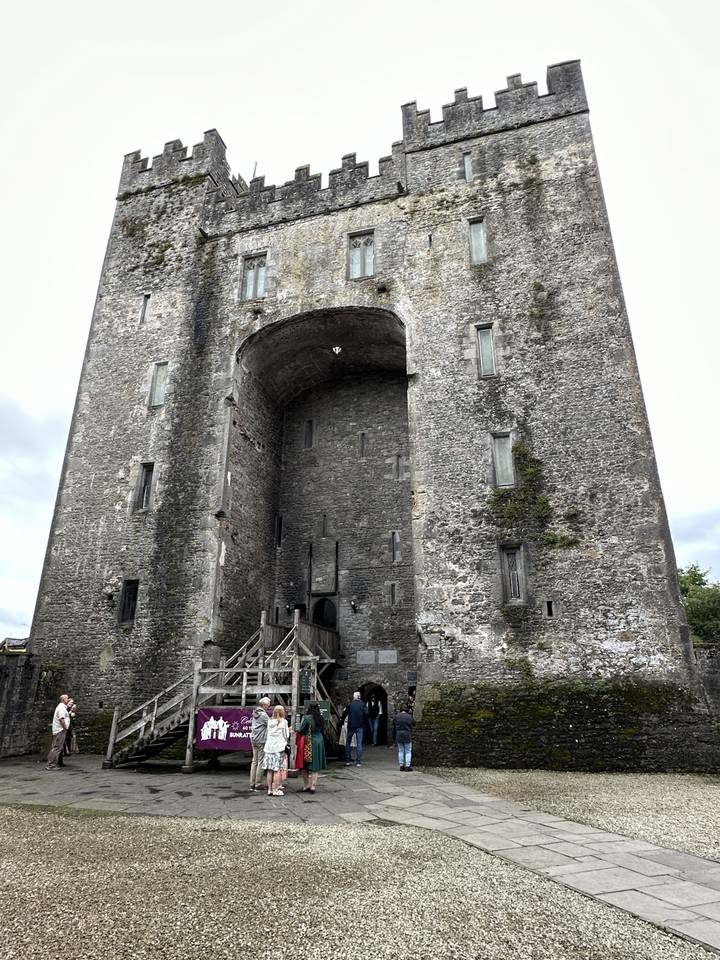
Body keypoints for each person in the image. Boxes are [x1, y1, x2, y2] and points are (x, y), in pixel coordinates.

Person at [298, 702, 327, 793]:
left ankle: (306, 785)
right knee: (315, 765)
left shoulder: (307, 718)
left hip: (308, 742)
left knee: (305, 765)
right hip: (319, 741)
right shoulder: (321, 718)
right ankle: (313, 786)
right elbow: (323, 729)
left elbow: (301, 729)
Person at [262, 705, 289, 796]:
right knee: (277, 770)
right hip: (279, 748)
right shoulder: (283, 722)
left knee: (270, 770)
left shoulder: (269, 722)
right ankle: (276, 789)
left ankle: (269, 789)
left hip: (269, 748)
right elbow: (286, 735)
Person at [250, 697, 271, 791]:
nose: (269, 706)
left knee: (254, 761)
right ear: (264, 705)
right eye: (268, 705)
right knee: (260, 762)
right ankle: (258, 783)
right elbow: (270, 724)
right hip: (261, 740)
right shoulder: (263, 715)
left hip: (254, 739)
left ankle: (252, 783)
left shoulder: (255, 713)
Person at [342, 692, 368, 767]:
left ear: (354, 697)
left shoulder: (350, 704)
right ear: (359, 697)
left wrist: (342, 721)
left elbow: (345, 713)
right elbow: (366, 714)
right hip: (360, 726)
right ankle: (358, 761)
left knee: (348, 742)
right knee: (359, 743)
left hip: (351, 726)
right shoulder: (363, 704)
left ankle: (348, 760)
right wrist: (364, 722)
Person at [46, 694, 70, 771]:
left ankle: (53, 763)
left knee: (57, 748)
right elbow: (61, 719)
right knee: (56, 748)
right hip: (60, 730)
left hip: (60, 730)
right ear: (63, 699)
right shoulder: (61, 708)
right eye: (67, 698)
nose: (68, 700)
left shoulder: (62, 707)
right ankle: (51, 765)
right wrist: (65, 728)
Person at [393, 702, 415, 772]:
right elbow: (414, 723)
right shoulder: (409, 716)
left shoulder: (397, 716)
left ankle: (401, 766)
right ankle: (408, 766)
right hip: (407, 734)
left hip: (399, 734)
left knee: (401, 751)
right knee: (408, 751)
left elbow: (393, 724)